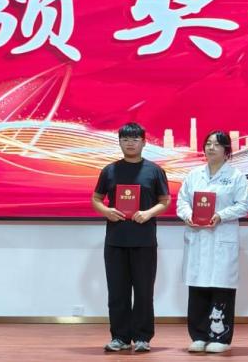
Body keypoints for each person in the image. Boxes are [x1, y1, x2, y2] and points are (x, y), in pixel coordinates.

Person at [91, 122, 171, 353]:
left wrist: (148, 213)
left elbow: (165, 201)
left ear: (144, 142)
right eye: (125, 139)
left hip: (144, 240)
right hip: (115, 241)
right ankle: (120, 337)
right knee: (118, 292)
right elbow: (96, 199)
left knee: (144, 292)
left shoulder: (154, 171)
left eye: (135, 139)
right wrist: (106, 211)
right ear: (119, 142)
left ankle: (143, 337)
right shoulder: (109, 170)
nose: (130, 143)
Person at [176, 130, 248, 354]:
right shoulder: (194, 175)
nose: (211, 148)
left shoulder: (236, 176)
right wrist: (188, 215)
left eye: (217, 144)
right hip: (198, 237)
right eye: (208, 143)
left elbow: (244, 205)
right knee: (198, 287)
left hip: (221, 237)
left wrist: (221, 215)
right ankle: (199, 336)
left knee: (221, 287)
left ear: (226, 150)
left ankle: (220, 336)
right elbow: (182, 201)